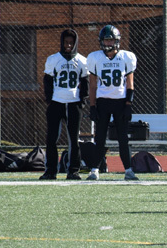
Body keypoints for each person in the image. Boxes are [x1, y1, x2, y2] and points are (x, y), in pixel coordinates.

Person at [86, 25, 138, 181]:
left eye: (111, 40)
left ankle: (128, 170)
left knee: (123, 138)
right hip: (103, 102)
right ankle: (94, 170)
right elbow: (93, 85)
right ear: (101, 41)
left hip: (120, 102)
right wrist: (93, 106)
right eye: (106, 40)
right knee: (99, 137)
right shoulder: (95, 57)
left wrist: (128, 104)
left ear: (117, 41)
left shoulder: (126, 57)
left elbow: (130, 84)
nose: (108, 43)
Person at [40, 29, 89, 180]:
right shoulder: (53, 59)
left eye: (71, 43)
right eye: (66, 42)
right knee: (52, 138)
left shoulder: (82, 60)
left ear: (75, 43)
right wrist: (49, 100)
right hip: (57, 102)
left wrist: (82, 100)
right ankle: (50, 171)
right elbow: (47, 80)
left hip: (73, 102)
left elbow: (85, 82)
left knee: (73, 139)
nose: (68, 45)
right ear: (61, 42)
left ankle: (73, 171)